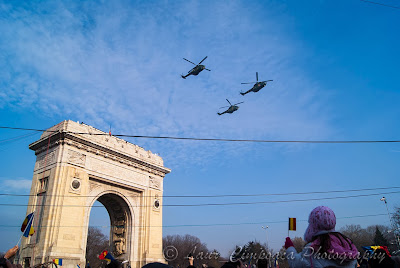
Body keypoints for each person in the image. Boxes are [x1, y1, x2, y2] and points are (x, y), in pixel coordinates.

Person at [284, 206, 359, 267]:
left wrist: (290, 248)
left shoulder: (312, 248)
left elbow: (295, 263)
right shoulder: (348, 246)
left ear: (313, 225)